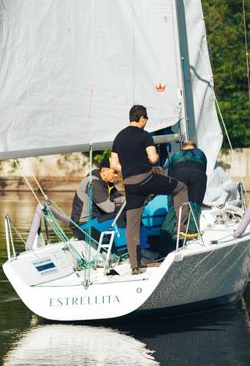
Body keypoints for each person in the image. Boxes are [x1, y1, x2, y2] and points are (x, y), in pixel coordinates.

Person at [109, 105, 190, 272]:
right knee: (180, 188)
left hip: (130, 184)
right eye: (146, 120)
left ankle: (135, 266)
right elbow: (153, 159)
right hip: (146, 178)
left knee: (132, 225)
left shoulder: (119, 137)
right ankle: (181, 229)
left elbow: (114, 165)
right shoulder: (144, 135)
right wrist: (156, 156)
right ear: (142, 119)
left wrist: (129, 170)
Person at [69, 158, 122, 227]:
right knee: (120, 214)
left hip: (95, 220)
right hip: (83, 226)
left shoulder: (108, 184)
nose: (116, 175)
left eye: (117, 173)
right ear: (103, 171)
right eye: (114, 172)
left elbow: (120, 199)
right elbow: (108, 208)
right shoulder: (93, 182)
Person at [164, 139, 208, 208]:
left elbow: (170, 175)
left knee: (178, 204)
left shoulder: (176, 154)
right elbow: (204, 170)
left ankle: (178, 214)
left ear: (183, 147)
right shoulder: (200, 153)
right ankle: (194, 213)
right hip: (198, 174)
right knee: (195, 204)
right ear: (195, 147)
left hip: (179, 174)